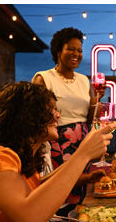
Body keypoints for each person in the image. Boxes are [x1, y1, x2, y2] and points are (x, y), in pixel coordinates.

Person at [0, 82, 116, 222]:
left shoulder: (23, 158)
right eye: (51, 109)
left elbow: (30, 220)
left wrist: (84, 166)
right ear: (26, 114)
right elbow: (30, 216)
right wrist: (83, 155)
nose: (58, 115)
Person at [32, 27, 104, 204]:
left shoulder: (83, 80)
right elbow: (34, 118)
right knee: (60, 190)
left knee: (82, 191)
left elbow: (90, 117)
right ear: (58, 50)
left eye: (79, 50)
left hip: (82, 140)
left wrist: (97, 99)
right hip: (56, 142)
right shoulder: (44, 78)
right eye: (70, 48)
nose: (76, 54)